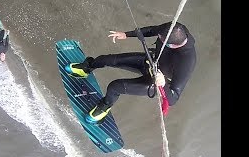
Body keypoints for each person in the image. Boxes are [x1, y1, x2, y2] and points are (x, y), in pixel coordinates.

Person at [65, 21, 196, 124]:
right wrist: (126, 34)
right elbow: (152, 30)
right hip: (149, 61)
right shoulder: (174, 28)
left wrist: (162, 83)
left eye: (160, 38)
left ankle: (104, 107)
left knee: (115, 86)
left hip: (156, 81)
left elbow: (173, 98)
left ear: (171, 45)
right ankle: (86, 69)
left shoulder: (187, 61)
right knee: (108, 59)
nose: (158, 36)